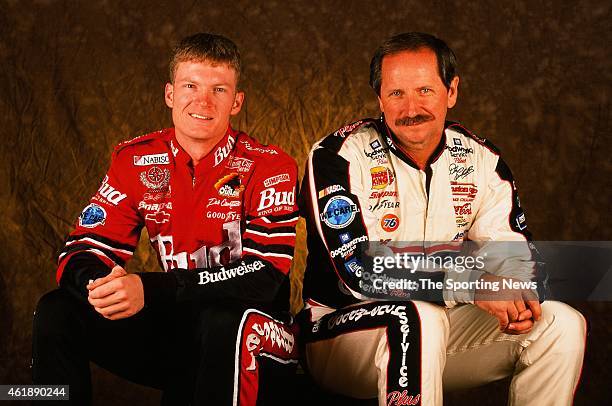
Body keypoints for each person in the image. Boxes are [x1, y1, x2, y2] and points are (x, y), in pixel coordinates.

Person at [298, 32, 586, 405]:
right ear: (379, 99)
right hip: (340, 334)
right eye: (396, 93)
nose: (410, 107)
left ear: (451, 91)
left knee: (560, 324)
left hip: (440, 329)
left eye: (424, 90)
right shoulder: (338, 156)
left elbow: (514, 257)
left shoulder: (481, 161)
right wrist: (472, 282)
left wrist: (515, 294)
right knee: (418, 320)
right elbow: (361, 271)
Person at [32, 33, 299, 406]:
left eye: (218, 89)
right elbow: (83, 247)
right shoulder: (135, 160)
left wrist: (151, 291)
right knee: (56, 310)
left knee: (222, 321)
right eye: (191, 85)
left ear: (236, 101)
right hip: (178, 328)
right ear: (170, 94)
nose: (203, 101)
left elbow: (266, 275)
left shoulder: (270, 165)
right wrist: (102, 287)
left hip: (259, 338)